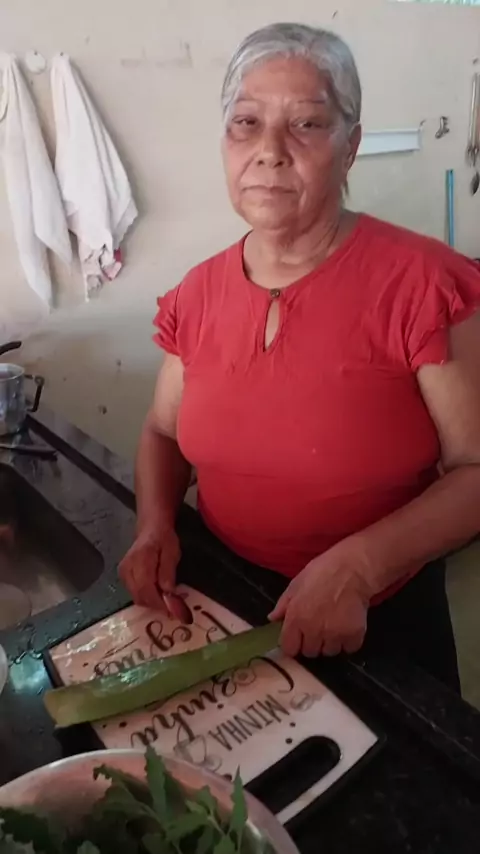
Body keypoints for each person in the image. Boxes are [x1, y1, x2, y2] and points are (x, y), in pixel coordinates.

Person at [120, 23, 480, 692]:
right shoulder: (197, 294)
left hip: (381, 612)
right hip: (228, 597)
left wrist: (359, 569)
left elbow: (475, 470)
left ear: (351, 147)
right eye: (246, 123)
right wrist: (154, 526)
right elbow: (163, 432)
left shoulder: (424, 284)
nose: (269, 151)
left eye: (308, 124)